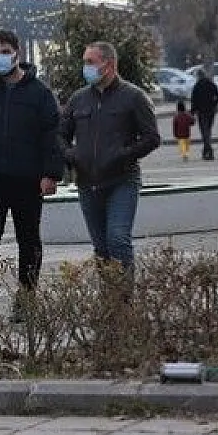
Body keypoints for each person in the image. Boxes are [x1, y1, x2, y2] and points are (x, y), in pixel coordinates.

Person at [0, 30, 65, 326]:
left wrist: (51, 174)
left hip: (27, 178)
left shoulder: (38, 92)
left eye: (5, 51)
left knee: (28, 240)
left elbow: (51, 134)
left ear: (17, 53)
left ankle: (26, 300)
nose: (0, 56)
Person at [61, 41, 161, 276]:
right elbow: (60, 135)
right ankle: (110, 303)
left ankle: (125, 304)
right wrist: (71, 155)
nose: (85, 67)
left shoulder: (134, 97)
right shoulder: (78, 99)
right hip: (87, 182)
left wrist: (122, 155)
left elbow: (152, 137)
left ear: (109, 64)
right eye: (85, 62)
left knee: (118, 239)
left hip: (121, 180)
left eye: (90, 62)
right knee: (102, 248)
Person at [189, 67, 218, 161]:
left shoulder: (197, 86)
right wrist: (214, 105)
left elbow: (194, 100)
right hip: (211, 110)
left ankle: (209, 151)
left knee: (204, 131)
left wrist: (192, 112)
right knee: (208, 131)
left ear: (198, 76)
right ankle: (206, 151)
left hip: (201, 112)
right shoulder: (211, 84)